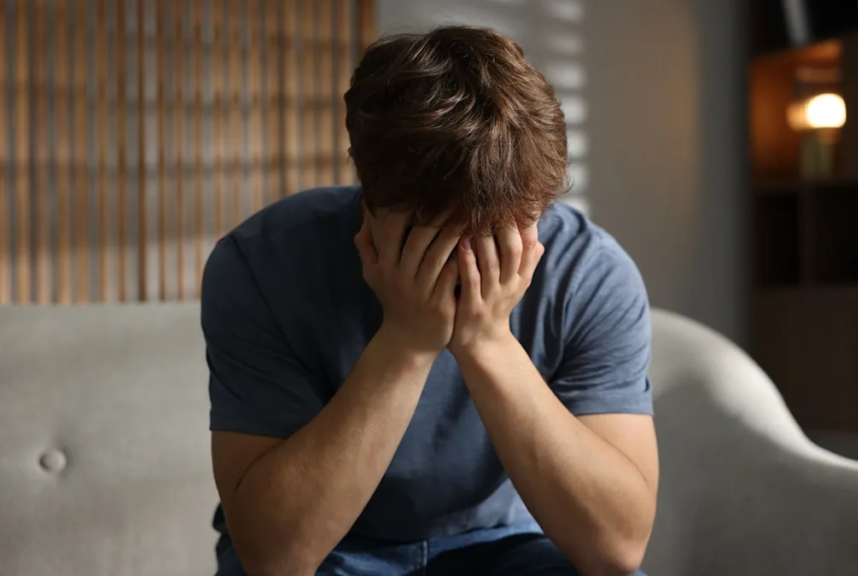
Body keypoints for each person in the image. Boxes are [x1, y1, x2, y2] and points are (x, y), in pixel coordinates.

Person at [202, 25, 658, 576]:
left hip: (510, 548)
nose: (475, 263)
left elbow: (615, 551)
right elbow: (275, 557)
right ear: (370, 201)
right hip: (335, 553)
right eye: (440, 238)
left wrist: (487, 340)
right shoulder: (261, 263)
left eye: (502, 234)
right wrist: (406, 342)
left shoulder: (588, 273)